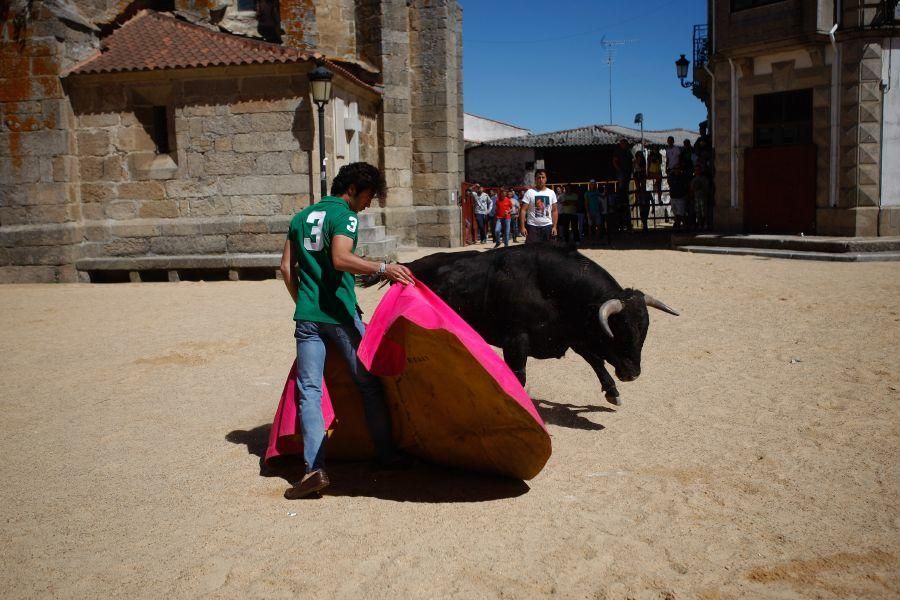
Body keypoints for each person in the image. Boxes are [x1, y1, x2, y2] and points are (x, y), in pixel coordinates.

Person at [279, 162, 416, 500]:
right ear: (354, 188)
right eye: (370, 194)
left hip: (308, 317)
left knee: (310, 390)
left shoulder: (301, 217)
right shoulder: (346, 216)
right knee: (368, 383)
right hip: (340, 315)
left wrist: (305, 303)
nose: (370, 202)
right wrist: (384, 267)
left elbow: (285, 267)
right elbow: (341, 258)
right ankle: (385, 454)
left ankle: (313, 469)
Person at [519, 169, 558, 243]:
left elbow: (554, 210)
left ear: (546, 179)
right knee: (531, 251)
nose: (541, 179)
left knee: (547, 251)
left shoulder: (551, 193)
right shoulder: (529, 192)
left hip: (547, 226)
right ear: (535, 179)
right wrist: (522, 227)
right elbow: (523, 210)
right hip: (532, 227)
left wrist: (554, 226)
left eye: (543, 177)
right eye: (538, 178)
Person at [612, 139, 633, 232]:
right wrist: (619, 170)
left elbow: (631, 161)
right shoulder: (618, 151)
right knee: (621, 195)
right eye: (622, 143)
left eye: (625, 143)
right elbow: (614, 161)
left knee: (625, 195)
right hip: (622, 174)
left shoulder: (628, 151)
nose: (624, 145)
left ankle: (627, 225)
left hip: (627, 174)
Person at [633, 150, 651, 231]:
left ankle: (639, 198)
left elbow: (643, 168)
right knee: (637, 189)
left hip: (641, 174)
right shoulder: (634, 161)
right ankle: (637, 199)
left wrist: (640, 168)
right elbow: (634, 168)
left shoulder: (643, 162)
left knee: (642, 188)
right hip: (637, 174)